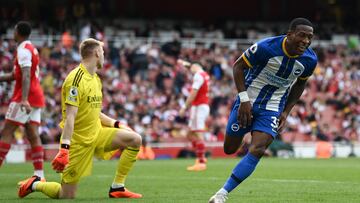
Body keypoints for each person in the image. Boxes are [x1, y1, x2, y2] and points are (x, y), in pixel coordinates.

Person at [209, 18, 317, 203]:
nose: (306, 41)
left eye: (310, 37)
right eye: (302, 35)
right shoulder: (266, 47)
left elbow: (300, 84)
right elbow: (238, 66)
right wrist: (243, 100)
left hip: (272, 108)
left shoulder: (309, 59)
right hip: (247, 102)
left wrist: (286, 111)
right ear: (289, 34)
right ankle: (244, 134)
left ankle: (222, 193)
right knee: (229, 149)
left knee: (258, 149)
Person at [18, 38, 142, 199]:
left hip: (97, 134)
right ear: (97, 53)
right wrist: (64, 149)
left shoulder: (96, 78)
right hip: (79, 142)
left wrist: (117, 124)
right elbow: (70, 117)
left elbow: (95, 111)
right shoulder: (75, 80)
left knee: (135, 139)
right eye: (103, 52)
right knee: (66, 195)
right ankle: (35, 183)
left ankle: (117, 187)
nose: (104, 56)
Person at [0, 21, 46, 180]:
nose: (13, 32)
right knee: (33, 134)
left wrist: (24, 99)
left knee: (7, 132)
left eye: (14, 30)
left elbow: (26, 75)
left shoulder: (23, 51)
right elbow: (16, 75)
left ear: (18, 32)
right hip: (36, 96)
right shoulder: (30, 49)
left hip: (24, 97)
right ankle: (39, 175)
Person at [178, 60, 210, 171]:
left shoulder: (198, 75)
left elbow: (193, 92)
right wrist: (183, 63)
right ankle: (201, 157)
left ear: (195, 66)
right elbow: (191, 66)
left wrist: (184, 107)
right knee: (190, 133)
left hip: (199, 107)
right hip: (202, 106)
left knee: (198, 133)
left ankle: (201, 162)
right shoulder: (204, 74)